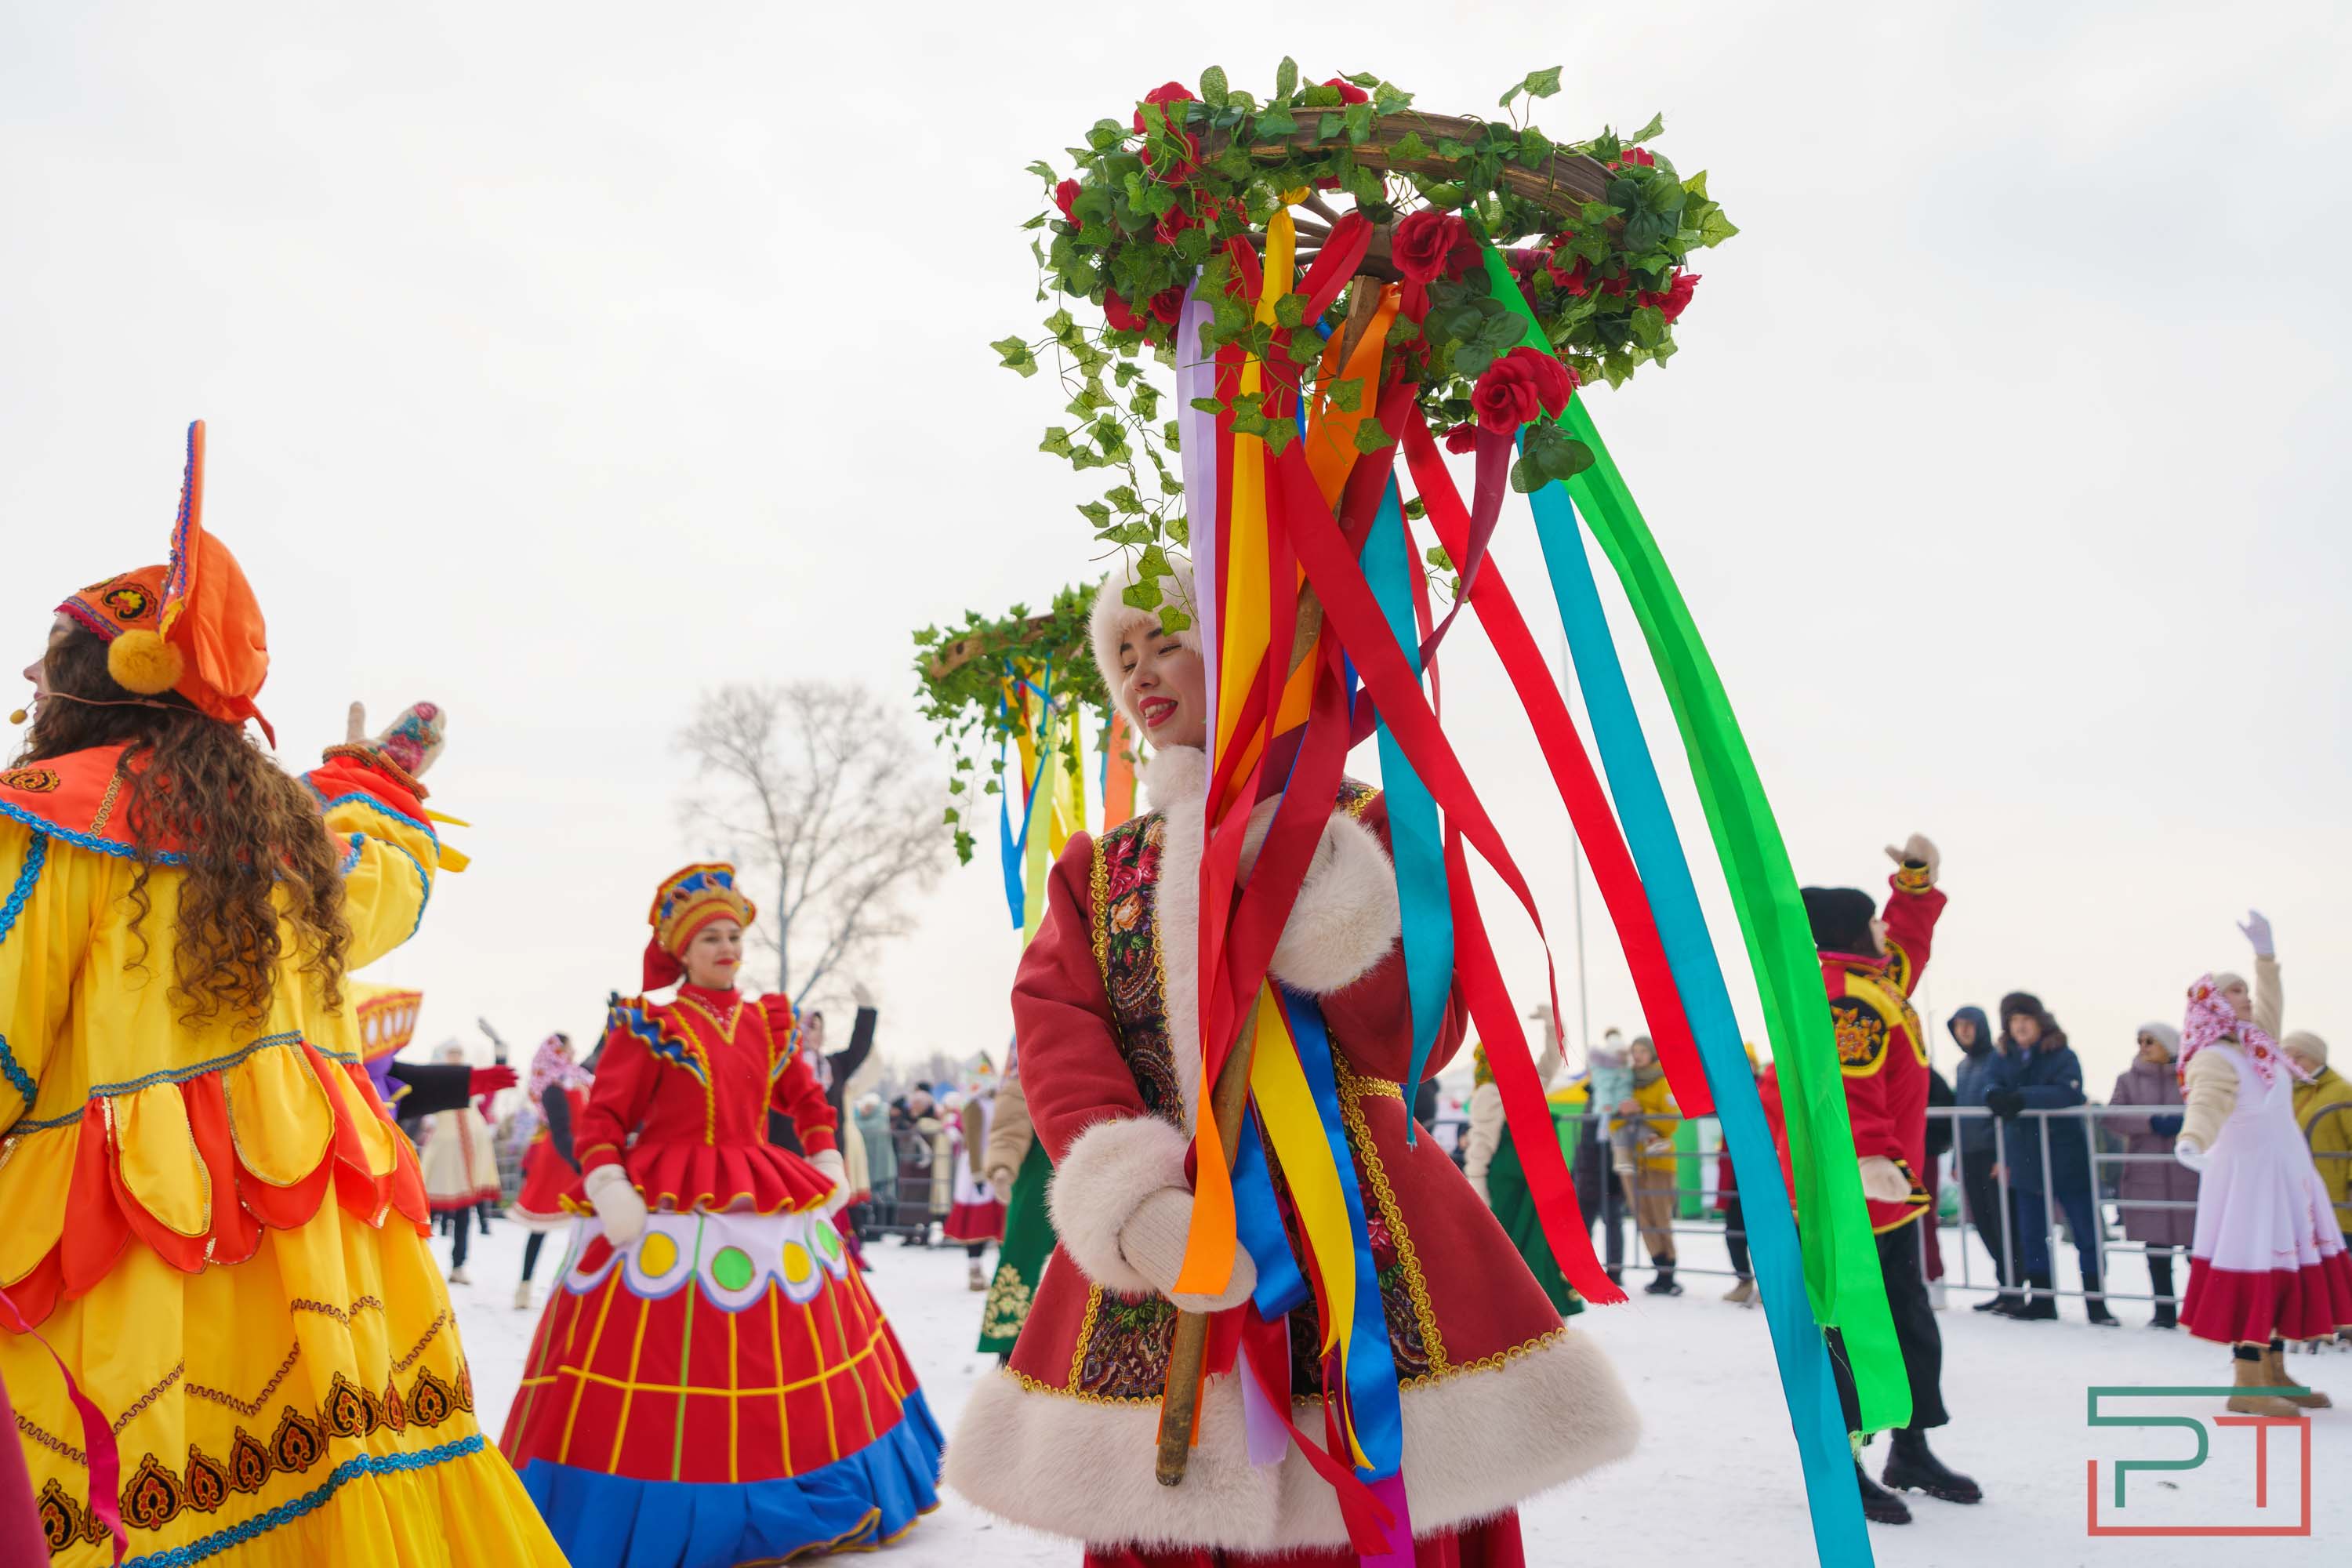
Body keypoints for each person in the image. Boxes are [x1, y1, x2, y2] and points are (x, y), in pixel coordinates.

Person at [943, 563, 1637, 1564]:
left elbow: (1418, 1035)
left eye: (1165, 637)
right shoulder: (1099, 870)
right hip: (1168, 1247)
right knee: (1170, 1502)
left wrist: (1318, 884)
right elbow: (1056, 1027)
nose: (1139, 669)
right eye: (1123, 653)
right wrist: (1130, 1199)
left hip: (1360, 1235)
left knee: (1374, 1503)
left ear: (1244, 646)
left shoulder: (1362, 826)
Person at [0, 423, 564, 1564]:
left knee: (134, 1483)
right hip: (313, 1215)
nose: (31, 679)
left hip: (133, 1221)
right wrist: (376, 791)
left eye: (49, 659)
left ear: (104, 681)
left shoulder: (50, 809)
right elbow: (382, 905)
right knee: (337, 1472)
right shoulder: (287, 829)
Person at [499, 862, 942, 1561]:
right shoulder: (648, 1024)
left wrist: (826, 1156)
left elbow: (806, 1101)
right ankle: (655, 1500)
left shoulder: (770, 1021)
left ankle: (796, 1472)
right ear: (681, 950)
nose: (727, 948)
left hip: (762, 1191)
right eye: (709, 938)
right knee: (661, 1362)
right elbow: (606, 1115)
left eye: (734, 934)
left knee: (787, 1351)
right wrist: (609, 1182)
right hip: (662, 1206)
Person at [1804, 837, 1979, 1524]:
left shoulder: (1874, 980)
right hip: (1854, 1198)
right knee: (1846, 1331)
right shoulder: (1846, 997)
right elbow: (1849, 1097)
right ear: (1851, 932)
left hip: (1887, 1201)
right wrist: (1874, 1159)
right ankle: (1838, 1461)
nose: (1885, 925)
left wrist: (1915, 882)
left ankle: (1911, 1445)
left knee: (1908, 1325)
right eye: (1874, 918)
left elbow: (1907, 940)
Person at [2172, 973, 2352, 1412]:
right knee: (2253, 1270)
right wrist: (2193, 1138)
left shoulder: (2256, 1046)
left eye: (2246, 991)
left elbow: (2270, 1005)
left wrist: (2266, 960)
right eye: (2235, 991)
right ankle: (2247, 1382)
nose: (2247, 998)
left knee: (2281, 1272)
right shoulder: (2215, 1058)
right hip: (2249, 1183)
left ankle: (2274, 1373)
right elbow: (2207, 1100)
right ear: (2212, 1004)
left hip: (2285, 1177)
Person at [1982, 993, 2112, 1323]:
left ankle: (2096, 1301)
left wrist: (2022, 1098)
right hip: (2026, 1155)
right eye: (2013, 1021)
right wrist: (1995, 1096)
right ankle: (2041, 1299)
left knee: (2085, 1230)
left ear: (2040, 1022)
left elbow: (2068, 1091)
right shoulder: (2003, 1056)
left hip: (2065, 1154)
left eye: (2026, 1019)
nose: (2020, 1026)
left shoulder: (2061, 1054)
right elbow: (1991, 1085)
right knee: (2031, 1231)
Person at [1463, 1036, 1581, 1316]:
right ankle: (1517, 1312)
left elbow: (1551, 1064)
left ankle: (1543, 1310)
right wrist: (1477, 1183)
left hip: (1533, 1180)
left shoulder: (1522, 1085)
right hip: (1510, 1185)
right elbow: (1482, 1142)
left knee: (1538, 1243)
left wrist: (1553, 1026)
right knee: (1514, 1247)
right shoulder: (1490, 1093)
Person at [2105, 1023, 2198, 1327]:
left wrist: (2184, 1123)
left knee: (2195, 1247)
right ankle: (2164, 1310)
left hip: (2187, 1171)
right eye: (2140, 1041)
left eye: (2151, 1041)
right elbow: (2113, 1116)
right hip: (2148, 1171)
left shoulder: (2191, 1077)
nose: (2143, 1046)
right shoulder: (2128, 1080)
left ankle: (2199, 1309)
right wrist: (2151, 1121)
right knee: (2156, 1245)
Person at [510, 1031, 594, 1308]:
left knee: (587, 1223)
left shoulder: (577, 1076)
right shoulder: (551, 1085)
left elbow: (598, 1058)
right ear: (556, 1051)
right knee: (540, 1226)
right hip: (560, 1156)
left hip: (581, 1153)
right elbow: (560, 1131)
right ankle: (524, 1285)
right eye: (568, 1048)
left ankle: (580, 1287)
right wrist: (579, 1164)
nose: (573, 1052)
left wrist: (612, 1022)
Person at [978, 1059, 1057, 1358]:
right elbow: (1007, 1131)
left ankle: (1074, 1339)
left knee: (1085, 1259)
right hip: (1036, 1175)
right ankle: (1008, 1341)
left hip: (1081, 1167)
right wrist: (1002, 1168)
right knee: (1022, 1257)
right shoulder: (1022, 1073)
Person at [1947, 1007, 2019, 1312]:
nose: (1963, 1032)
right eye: (1958, 1027)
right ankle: (2005, 1286)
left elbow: (2005, 1112)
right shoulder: (1962, 1067)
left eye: (1968, 1025)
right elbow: (1959, 1116)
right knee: (1985, 1225)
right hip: (1969, 1154)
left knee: (2004, 1223)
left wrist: (2005, 1155)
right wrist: (1955, 1159)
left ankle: (2014, 1286)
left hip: (1993, 1154)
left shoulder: (1998, 1059)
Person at [419, 1040, 503, 1285]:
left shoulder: (472, 1079)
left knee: (465, 1211)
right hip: (445, 1149)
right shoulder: (435, 1080)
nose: (455, 1057)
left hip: (470, 1149)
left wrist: (500, 1057)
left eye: (459, 1053)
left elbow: (489, 1096)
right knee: (431, 1207)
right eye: (451, 1053)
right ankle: (421, 1261)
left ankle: (458, 1265)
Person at [1716, 1043, 1787, 1306]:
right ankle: (1744, 1281)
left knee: (1768, 1231)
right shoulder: (1727, 1093)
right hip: (1737, 1173)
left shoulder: (1766, 1088)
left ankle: (1771, 1285)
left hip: (1767, 1172)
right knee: (1734, 1231)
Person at [1621, 1035, 1683, 1296]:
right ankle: (1658, 1267)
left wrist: (1642, 1112)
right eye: (1634, 1051)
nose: (1637, 1055)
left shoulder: (1663, 1081)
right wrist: (1623, 1113)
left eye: (1642, 1050)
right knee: (1642, 1216)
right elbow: (1612, 1120)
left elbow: (1672, 1122)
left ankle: (1669, 1271)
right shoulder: (1624, 1083)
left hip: (1658, 1159)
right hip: (1632, 1158)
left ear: (1652, 1053)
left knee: (1660, 1216)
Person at [1573, 1027, 1635, 1284]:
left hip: (1610, 1168)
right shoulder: (1593, 1094)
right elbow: (1585, 1139)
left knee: (1612, 1220)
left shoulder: (1623, 1094)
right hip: (1589, 1166)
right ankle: (1583, 1269)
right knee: (1586, 1221)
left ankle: (1615, 1271)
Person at [2285, 1033, 2352, 1236]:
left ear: (2317, 1058)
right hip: (2298, 1196)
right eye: (2286, 1056)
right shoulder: (2288, 1093)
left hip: (2336, 1198)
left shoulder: (2343, 1092)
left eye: (2299, 1057)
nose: (2291, 1063)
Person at [942, 1086, 1004, 1290]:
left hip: (995, 1164)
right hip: (977, 1166)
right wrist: (977, 1173)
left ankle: (1002, 1271)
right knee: (977, 1222)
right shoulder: (973, 1104)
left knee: (998, 1220)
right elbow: (974, 1141)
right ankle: (975, 1270)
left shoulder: (997, 1100)